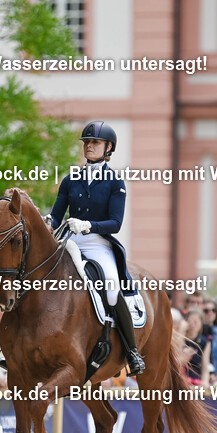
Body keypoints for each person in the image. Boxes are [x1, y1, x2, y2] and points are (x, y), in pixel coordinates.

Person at [48, 120, 145, 375]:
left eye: (95, 142)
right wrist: (48, 222)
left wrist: (88, 225)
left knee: (111, 289)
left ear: (108, 147)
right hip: (69, 241)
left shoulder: (115, 182)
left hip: (97, 243)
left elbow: (115, 223)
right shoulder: (70, 180)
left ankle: (132, 351)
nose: (89, 146)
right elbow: (57, 215)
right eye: (87, 142)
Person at [181, 308, 212, 385]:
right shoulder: (180, 338)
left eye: (196, 321)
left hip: (197, 379)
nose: (193, 325)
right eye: (190, 321)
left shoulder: (204, 342)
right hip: (182, 378)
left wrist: (205, 382)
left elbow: (205, 367)